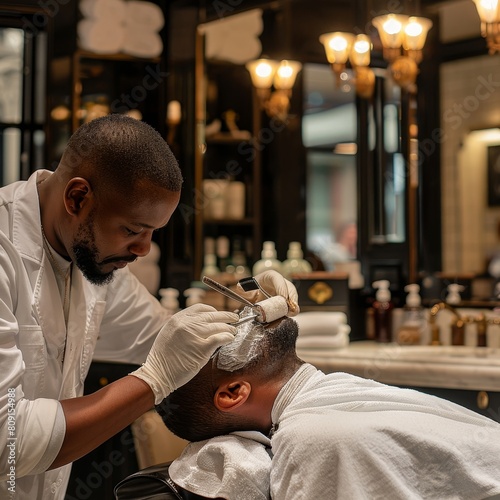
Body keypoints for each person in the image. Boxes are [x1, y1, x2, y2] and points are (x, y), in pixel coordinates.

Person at [0, 114, 299, 499]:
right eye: (132, 230)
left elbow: (171, 339)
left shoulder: (93, 259)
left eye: (152, 232)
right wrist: (153, 381)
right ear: (77, 197)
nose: (142, 250)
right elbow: (10, 443)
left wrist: (251, 314)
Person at [157, 313, 500, 499]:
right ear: (233, 392)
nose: (247, 314)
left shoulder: (330, 396)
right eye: (230, 331)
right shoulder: (317, 440)